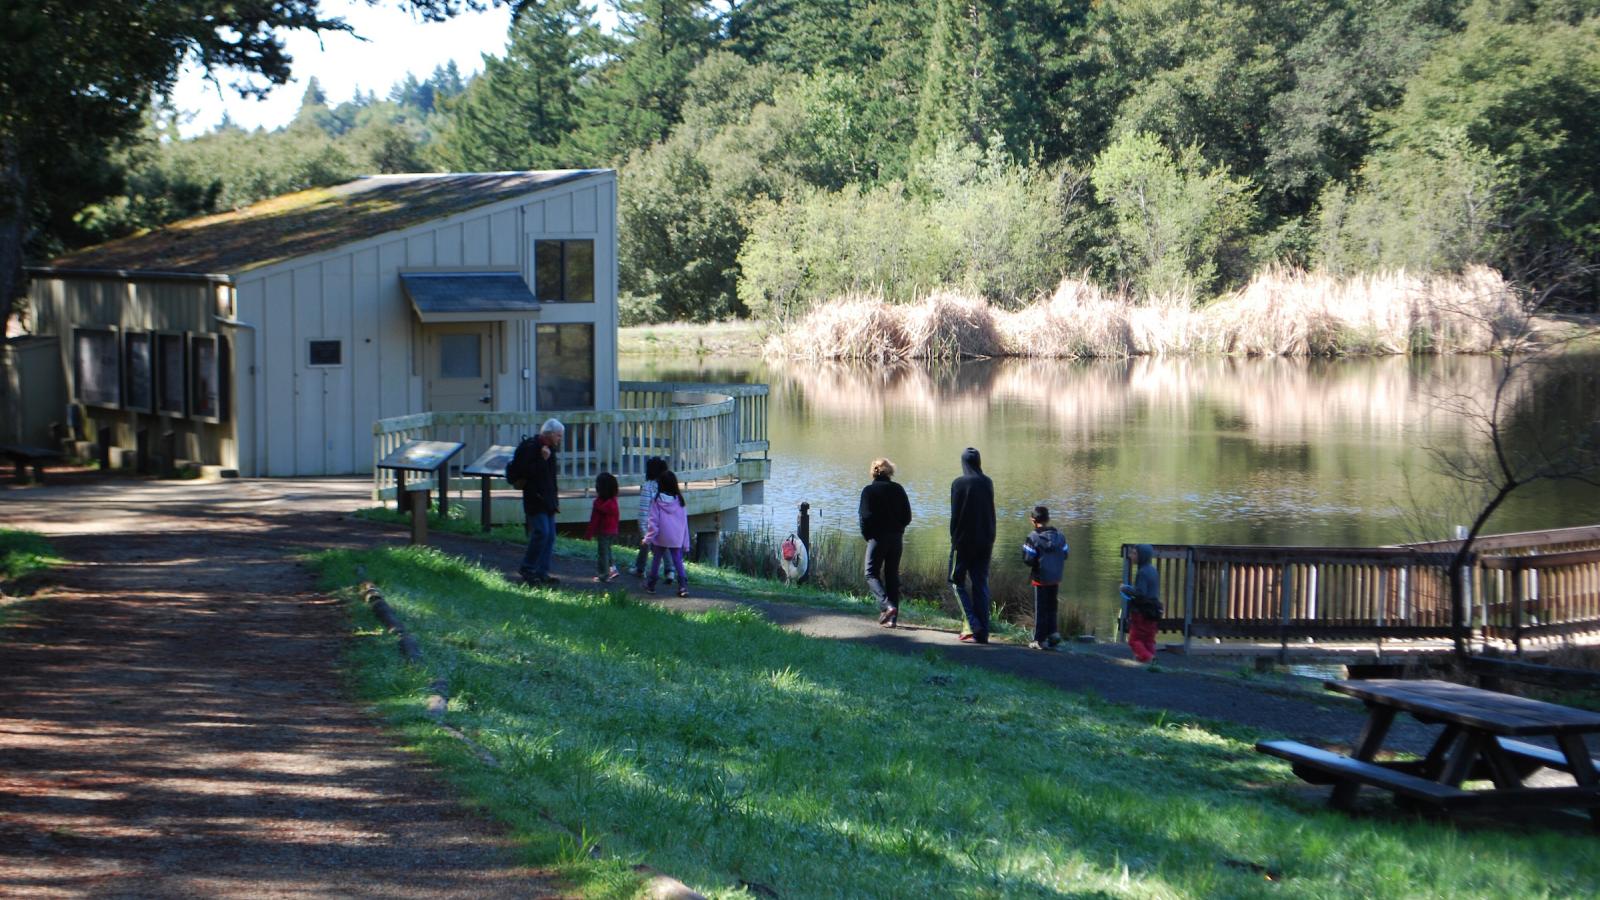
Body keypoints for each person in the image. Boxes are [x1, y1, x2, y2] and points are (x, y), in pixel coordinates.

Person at [948, 447, 995, 643]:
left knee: (956, 581)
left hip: (963, 541)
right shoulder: (987, 482)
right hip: (986, 540)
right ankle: (982, 633)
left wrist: (954, 538)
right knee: (980, 584)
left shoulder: (959, 484)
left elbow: (955, 514)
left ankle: (972, 621)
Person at [858, 457, 912, 627]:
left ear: (873, 472)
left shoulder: (869, 491)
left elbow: (865, 517)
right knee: (892, 576)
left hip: (877, 538)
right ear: (890, 472)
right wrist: (898, 530)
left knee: (870, 573)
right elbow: (907, 517)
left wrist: (868, 536)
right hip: (896, 539)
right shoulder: (898, 489)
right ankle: (892, 619)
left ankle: (886, 606)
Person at [512, 418, 563, 585]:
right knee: (542, 533)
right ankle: (528, 568)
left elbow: (551, 478)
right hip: (535, 498)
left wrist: (555, 501)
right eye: (558, 436)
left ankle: (542, 572)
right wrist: (542, 459)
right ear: (548, 434)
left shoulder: (550, 450)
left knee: (550, 536)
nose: (559, 439)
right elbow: (524, 472)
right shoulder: (530, 448)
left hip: (548, 499)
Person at [1022, 505, 1069, 651]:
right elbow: (1066, 554)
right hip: (1055, 577)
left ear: (1033, 520)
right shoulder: (1060, 536)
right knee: (1052, 607)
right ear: (1048, 519)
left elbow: (1028, 559)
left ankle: (1038, 640)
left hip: (1040, 578)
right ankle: (1053, 634)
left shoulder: (1032, 537)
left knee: (1040, 609)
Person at [645, 470, 691, 597]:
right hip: (676, 537)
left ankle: (651, 585)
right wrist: (686, 543)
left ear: (661, 485)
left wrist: (648, 538)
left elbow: (653, 522)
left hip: (661, 536)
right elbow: (684, 524)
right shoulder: (680, 501)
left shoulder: (656, 500)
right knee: (677, 560)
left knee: (656, 559)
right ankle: (683, 586)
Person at [1121, 544, 1162, 663]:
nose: (1131, 556)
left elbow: (1140, 593)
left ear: (1142, 556)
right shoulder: (1153, 570)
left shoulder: (1142, 572)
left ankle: (1149, 658)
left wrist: (1125, 589)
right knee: (1149, 640)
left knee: (1134, 640)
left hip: (1141, 613)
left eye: (1134, 553)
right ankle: (1149, 662)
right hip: (1154, 611)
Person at [632, 457, 669, 580]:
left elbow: (644, 508)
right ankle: (670, 571)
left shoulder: (647, 486)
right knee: (665, 546)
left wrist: (642, 527)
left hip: (650, 524)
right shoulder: (666, 487)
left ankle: (641, 569)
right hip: (664, 523)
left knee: (645, 545)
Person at [587, 472, 621, 582]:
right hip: (613, 530)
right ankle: (613, 570)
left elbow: (594, 520)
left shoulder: (598, 503)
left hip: (603, 531)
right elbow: (617, 516)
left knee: (603, 553)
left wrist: (589, 533)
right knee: (608, 551)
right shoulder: (614, 502)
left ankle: (604, 574)